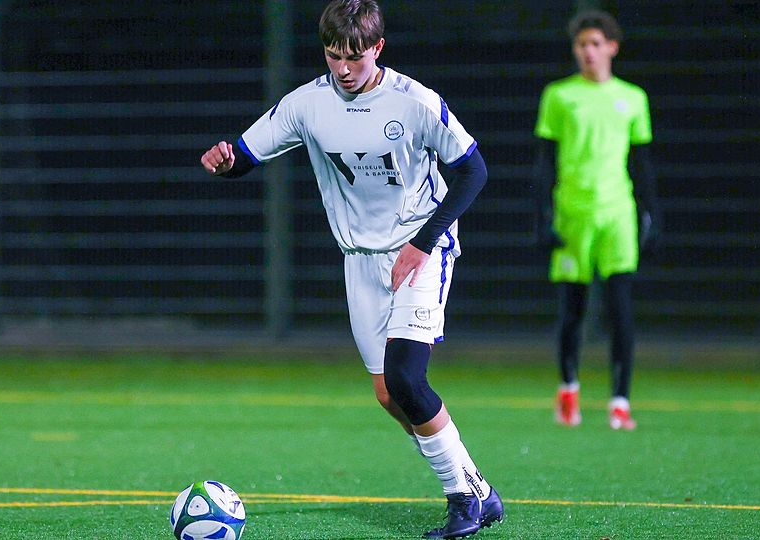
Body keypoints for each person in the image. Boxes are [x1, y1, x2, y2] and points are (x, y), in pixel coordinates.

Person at [200, 1, 504, 537]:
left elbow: (473, 170)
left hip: (420, 249)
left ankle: (463, 500)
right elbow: (245, 155)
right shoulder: (307, 104)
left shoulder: (415, 102)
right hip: (359, 260)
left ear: (377, 48)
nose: (343, 68)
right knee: (389, 394)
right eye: (333, 55)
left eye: (355, 57)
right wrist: (225, 162)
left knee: (406, 377)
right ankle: (477, 487)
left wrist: (423, 242)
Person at [532, 9, 660, 431]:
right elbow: (545, 162)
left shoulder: (633, 98)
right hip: (573, 214)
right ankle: (568, 390)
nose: (587, 51)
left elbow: (641, 163)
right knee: (573, 309)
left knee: (621, 310)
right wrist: (542, 216)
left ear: (612, 48)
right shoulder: (559, 96)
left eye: (595, 44)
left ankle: (620, 402)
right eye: (581, 44)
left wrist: (651, 213)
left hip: (617, 214)